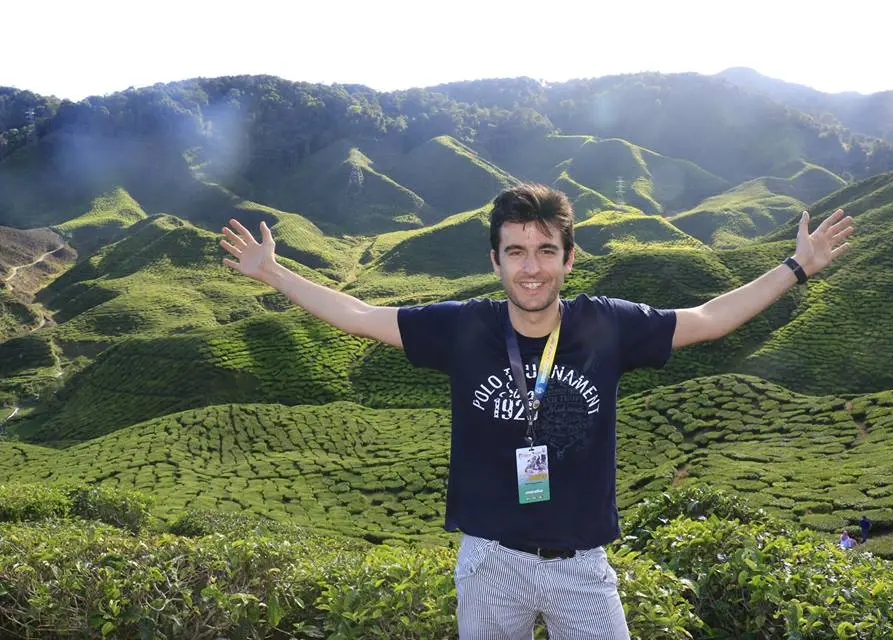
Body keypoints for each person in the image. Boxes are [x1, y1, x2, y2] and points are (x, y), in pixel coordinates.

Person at [220, 183, 854, 639]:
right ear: (494, 260)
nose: (531, 268)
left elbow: (711, 320)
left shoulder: (607, 325)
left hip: (581, 565)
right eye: (516, 252)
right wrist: (275, 274)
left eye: (546, 251)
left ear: (568, 259)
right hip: (490, 560)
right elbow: (359, 317)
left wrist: (798, 266)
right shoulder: (464, 328)